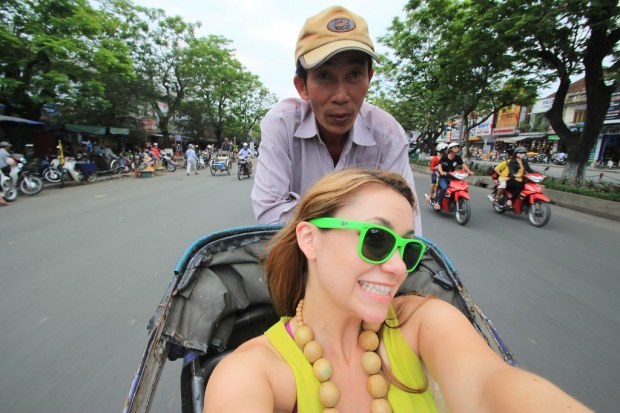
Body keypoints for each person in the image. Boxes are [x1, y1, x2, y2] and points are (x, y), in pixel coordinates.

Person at [204, 167, 591, 413]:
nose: (397, 267)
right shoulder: (252, 373)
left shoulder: (424, 321)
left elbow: (489, 385)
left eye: (408, 247)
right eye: (376, 239)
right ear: (310, 240)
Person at [250, 5, 422, 235]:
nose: (341, 96)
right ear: (302, 86)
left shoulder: (389, 135)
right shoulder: (282, 124)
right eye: (324, 76)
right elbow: (269, 217)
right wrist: (360, 222)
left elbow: (406, 225)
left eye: (354, 75)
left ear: (368, 77)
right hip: (298, 257)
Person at [434, 142, 474, 210]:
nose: (457, 149)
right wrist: (441, 172)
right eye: (455, 147)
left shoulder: (458, 158)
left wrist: (469, 171)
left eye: (457, 147)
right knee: (444, 187)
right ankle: (438, 202)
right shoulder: (444, 157)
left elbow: (463, 165)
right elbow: (439, 165)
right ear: (450, 149)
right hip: (444, 177)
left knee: (460, 187)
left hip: (453, 177)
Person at [0, 141, 13, 206]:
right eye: (8, 146)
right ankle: (2, 199)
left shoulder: (1, 151)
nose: (9, 147)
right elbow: (9, 161)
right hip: (3, 169)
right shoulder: (4, 152)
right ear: (5, 147)